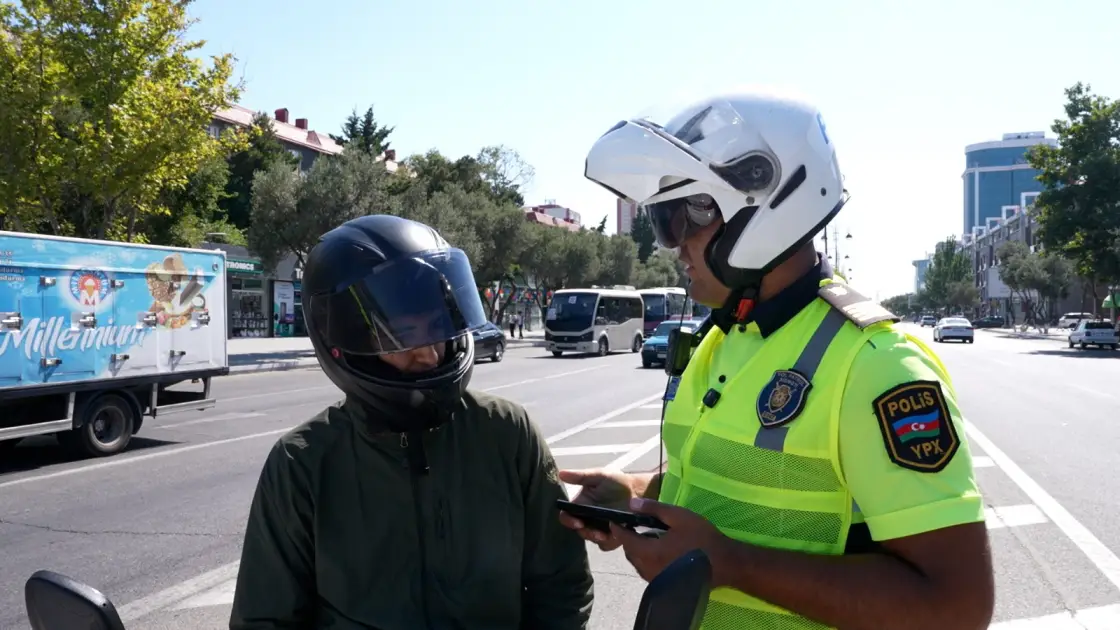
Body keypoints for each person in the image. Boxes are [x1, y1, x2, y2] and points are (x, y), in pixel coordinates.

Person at [560, 91, 995, 629]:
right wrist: (636, 495)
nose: (671, 245)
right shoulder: (725, 337)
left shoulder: (877, 367)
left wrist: (730, 565)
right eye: (659, 220)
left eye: (680, 217)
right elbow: (736, 491)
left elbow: (957, 607)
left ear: (764, 207)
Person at [230, 215, 593, 630]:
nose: (428, 355)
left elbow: (562, 583)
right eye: (400, 335)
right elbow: (264, 618)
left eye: (436, 328)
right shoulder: (303, 464)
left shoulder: (507, 432)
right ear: (345, 343)